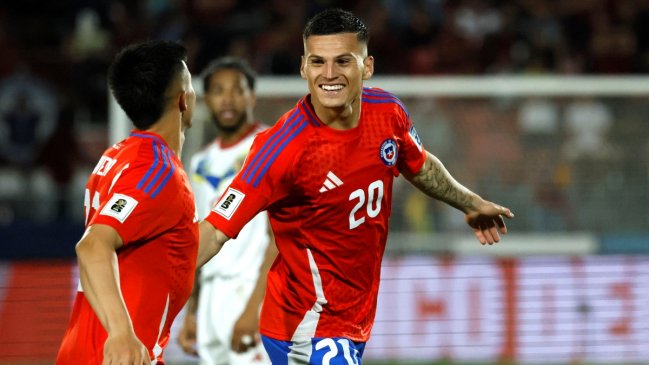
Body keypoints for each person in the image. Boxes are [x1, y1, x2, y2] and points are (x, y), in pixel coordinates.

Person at [195, 8, 514, 364]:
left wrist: (469, 202)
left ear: (367, 66)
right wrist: (137, 294)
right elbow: (214, 231)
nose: (329, 75)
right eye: (318, 62)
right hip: (307, 325)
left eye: (343, 61)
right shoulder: (281, 149)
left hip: (353, 318)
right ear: (303, 67)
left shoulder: (387, 112)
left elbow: (419, 165)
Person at [56, 40, 198, 365]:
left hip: (91, 349)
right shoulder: (156, 172)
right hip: (116, 354)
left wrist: (236, 212)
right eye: (190, 85)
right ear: (182, 100)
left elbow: (168, 250)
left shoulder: (117, 156)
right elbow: (93, 246)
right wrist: (121, 333)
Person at [177, 57, 275, 365]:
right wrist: (192, 312)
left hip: (252, 289)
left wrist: (254, 308)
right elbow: (198, 238)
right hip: (210, 298)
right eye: (219, 91)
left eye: (237, 89)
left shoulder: (271, 147)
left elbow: (280, 236)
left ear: (252, 97)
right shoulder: (199, 163)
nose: (228, 98)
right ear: (206, 100)